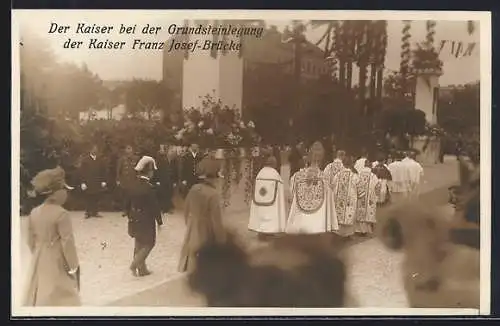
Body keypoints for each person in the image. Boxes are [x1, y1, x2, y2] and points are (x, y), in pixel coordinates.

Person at [23, 167, 80, 306]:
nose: (66, 193)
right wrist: (74, 266)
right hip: (57, 257)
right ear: (56, 193)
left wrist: (38, 251)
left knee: (40, 288)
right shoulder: (62, 214)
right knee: (60, 292)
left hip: (39, 256)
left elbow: (30, 239)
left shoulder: (34, 212)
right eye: (64, 190)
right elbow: (68, 243)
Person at [178, 156, 227, 273]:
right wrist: (221, 239)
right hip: (207, 228)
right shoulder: (213, 194)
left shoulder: (194, 188)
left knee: (193, 250)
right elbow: (217, 221)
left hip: (193, 225)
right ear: (214, 178)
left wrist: (190, 223)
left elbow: (186, 209)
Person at [286, 141, 338, 234]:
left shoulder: (297, 176)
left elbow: (291, 195)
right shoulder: (324, 179)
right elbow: (330, 198)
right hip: (318, 224)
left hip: (301, 220)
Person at [127, 156, 162, 277]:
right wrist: (160, 221)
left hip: (134, 215)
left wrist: (129, 215)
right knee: (149, 243)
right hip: (146, 218)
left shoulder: (132, 185)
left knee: (139, 242)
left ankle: (142, 269)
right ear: (149, 171)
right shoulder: (149, 188)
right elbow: (154, 206)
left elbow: (126, 202)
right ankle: (135, 264)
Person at [248, 156, 287, 241]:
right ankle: (269, 231)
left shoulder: (260, 173)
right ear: (274, 164)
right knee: (270, 215)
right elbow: (280, 185)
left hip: (260, 199)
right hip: (270, 201)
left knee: (261, 214)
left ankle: (261, 232)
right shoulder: (275, 173)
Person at [330, 156, 361, 238]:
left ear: (343, 163)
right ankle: (347, 235)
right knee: (348, 216)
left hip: (338, 200)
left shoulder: (337, 175)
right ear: (351, 164)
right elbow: (360, 190)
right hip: (349, 201)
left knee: (338, 216)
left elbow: (332, 186)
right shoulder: (354, 176)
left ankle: (337, 233)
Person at [80, 145, 106, 219]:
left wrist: (103, 181)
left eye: (96, 149)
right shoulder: (85, 160)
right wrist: (83, 182)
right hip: (88, 182)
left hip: (97, 182)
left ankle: (95, 212)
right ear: (90, 150)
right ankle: (87, 212)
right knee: (88, 197)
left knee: (96, 197)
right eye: (93, 149)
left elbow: (103, 171)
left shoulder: (100, 160)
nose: (95, 151)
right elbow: (82, 172)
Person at [354, 160, 380, 236]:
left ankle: (358, 230)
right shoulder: (373, 176)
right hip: (369, 199)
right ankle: (365, 230)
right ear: (370, 166)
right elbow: (378, 186)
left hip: (360, 197)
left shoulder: (359, 174)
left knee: (360, 212)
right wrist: (376, 197)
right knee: (367, 213)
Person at [153, 145, 178, 216]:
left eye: (173, 152)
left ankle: (168, 208)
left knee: (169, 194)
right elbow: (157, 170)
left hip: (171, 180)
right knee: (163, 194)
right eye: (171, 151)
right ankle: (164, 209)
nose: (172, 153)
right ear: (167, 152)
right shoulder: (161, 159)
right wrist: (157, 180)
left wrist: (175, 181)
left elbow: (176, 171)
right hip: (162, 179)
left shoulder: (174, 161)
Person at [116, 144, 139, 217]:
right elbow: (118, 171)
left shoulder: (136, 159)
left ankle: (133, 209)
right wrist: (118, 180)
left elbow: (139, 170)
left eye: (130, 149)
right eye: (127, 149)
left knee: (134, 196)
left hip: (134, 181)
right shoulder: (122, 159)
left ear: (132, 150)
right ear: (125, 150)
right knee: (125, 196)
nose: (128, 151)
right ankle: (125, 210)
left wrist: (139, 179)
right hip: (124, 181)